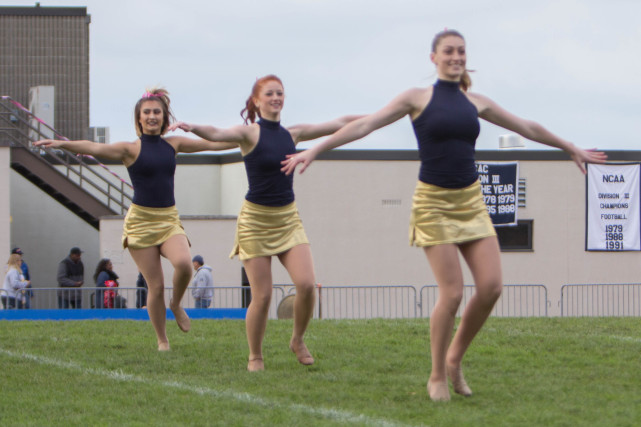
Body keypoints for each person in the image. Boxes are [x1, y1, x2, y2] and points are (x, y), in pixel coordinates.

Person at [281, 30, 607, 401]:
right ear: (433, 57)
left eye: (461, 51)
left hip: (470, 202)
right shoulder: (416, 98)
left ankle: (455, 358)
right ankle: (437, 374)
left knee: (491, 287)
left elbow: (526, 126)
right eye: (448, 51)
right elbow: (363, 125)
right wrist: (316, 150)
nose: (456, 56)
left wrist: (569, 147)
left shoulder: (476, 102)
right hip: (433, 203)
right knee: (451, 294)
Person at [169, 74, 362, 371]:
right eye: (270, 94)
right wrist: (192, 126)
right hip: (255, 222)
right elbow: (217, 134)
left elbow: (338, 123)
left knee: (308, 284)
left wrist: (383, 114)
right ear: (257, 101)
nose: (276, 98)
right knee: (262, 295)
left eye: (280, 93)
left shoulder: (293, 133)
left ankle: (297, 339)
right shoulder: (249, 134)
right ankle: (255, 355)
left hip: (287, 219)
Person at [36, 88, 236, 350]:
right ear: (139, 118)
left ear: (164, 117)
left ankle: (175, 304)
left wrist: (248, 139)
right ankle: (162, 339)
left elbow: (213, 144)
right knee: (155, 286)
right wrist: (62, 144)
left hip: (168, 219)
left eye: (157, 112)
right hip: (140, 222)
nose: (152, 116)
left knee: (185, 264)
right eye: (147, 112)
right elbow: (94, 147)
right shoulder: (130, 149)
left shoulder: (174, 144)